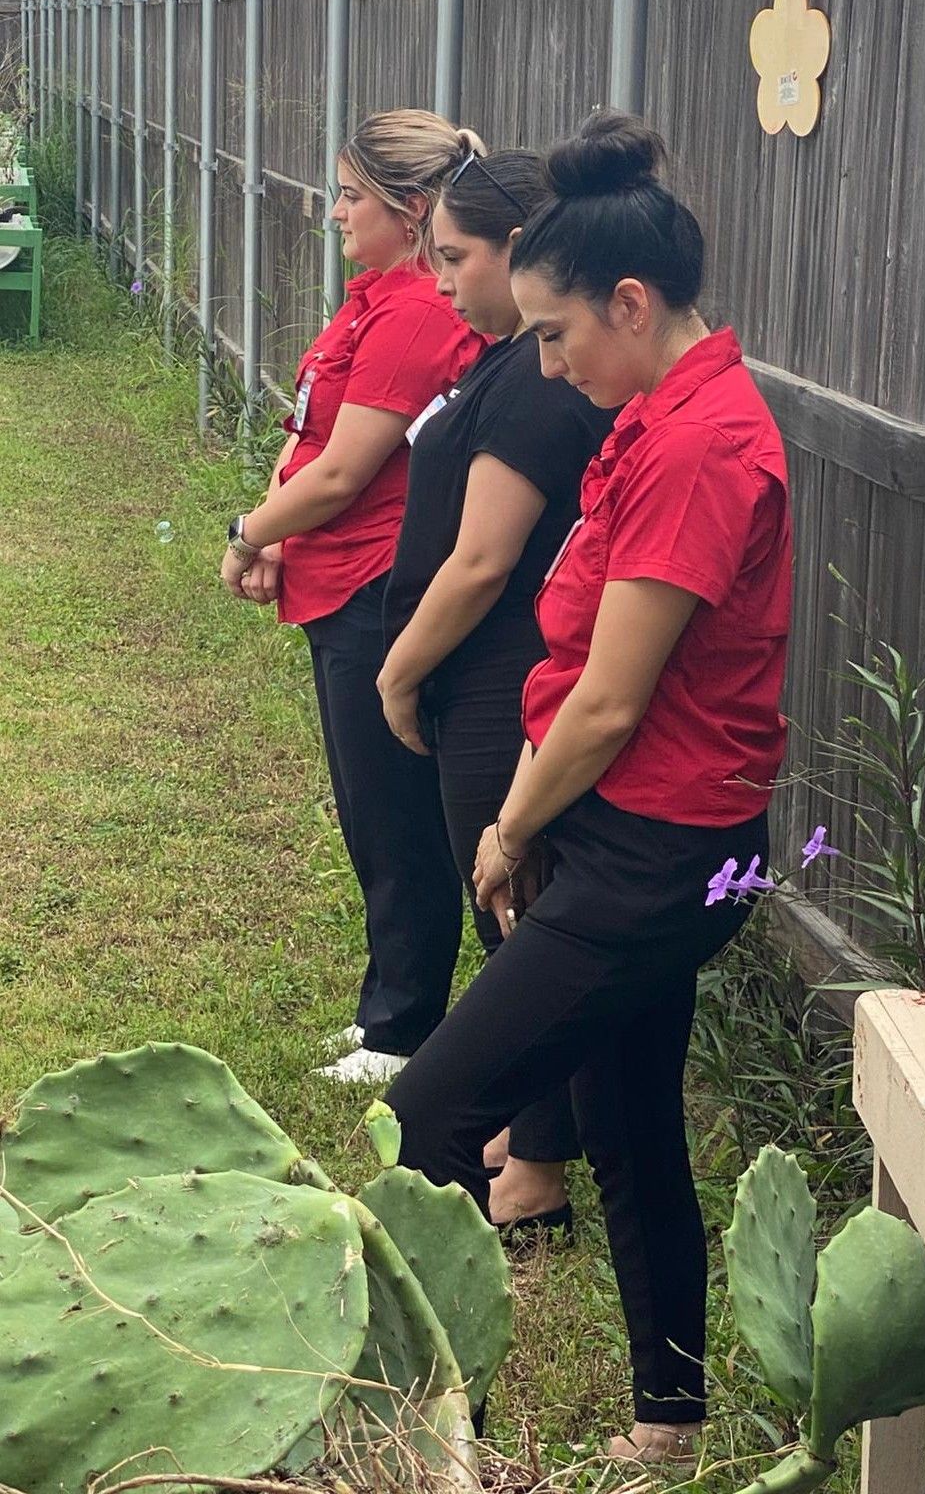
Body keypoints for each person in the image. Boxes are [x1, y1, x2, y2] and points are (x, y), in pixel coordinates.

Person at [385, 110, 792, 1468]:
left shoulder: (692, 446)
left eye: (557, 333)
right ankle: (667, 1424)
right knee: (628, 1127)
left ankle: (438, 1430)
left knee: (432, 1111)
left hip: (656, 858)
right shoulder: (663, 412)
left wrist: (508, 826)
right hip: (654, 840)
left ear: (631, 302)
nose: (546, 361)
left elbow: (612, 701)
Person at [219, 110, 487, 1082]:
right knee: (370, 808)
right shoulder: (376, 297)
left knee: (392, 816)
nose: (333, 212)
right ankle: (391, 1003)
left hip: (374, 591)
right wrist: (277, 539)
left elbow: (343, 472)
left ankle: (403, 1026)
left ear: (409, 211)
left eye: (350, 196)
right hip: (336, 583)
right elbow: (317, 433)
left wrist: (251, 532)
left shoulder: (417, 310)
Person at [377, 150, 613, 1232]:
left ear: (521, 252)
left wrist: (399, 669)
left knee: (518, 916)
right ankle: (529, 1127)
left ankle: (539, 1168)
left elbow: (481, 562)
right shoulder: (514, 361)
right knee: (509, 918)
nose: (443, 280)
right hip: (485, 685)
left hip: (498, 682)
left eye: (457, 257)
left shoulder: (532, 383)